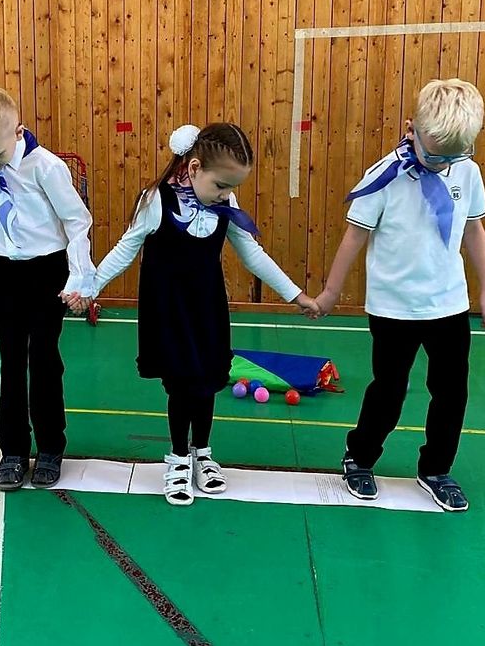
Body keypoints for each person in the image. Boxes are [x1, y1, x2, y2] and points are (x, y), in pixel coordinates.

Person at [92, 123, 319, 506]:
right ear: (195, 167)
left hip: (206, 308)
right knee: (182, 386)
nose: (226, 195)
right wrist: (90, 286)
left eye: (231, 188)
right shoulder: (156, 200)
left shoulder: (224, 203)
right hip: (169, 311)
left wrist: (296, 294)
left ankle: (203, 452)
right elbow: (125, 248)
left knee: (208, 380)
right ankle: (178, 457)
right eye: (221, 186)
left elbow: (252, 254)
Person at [316, 78, 485, 512]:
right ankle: (360, 457)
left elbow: (473, 229)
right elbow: (354, 237)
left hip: (448, 306)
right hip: (393, 310)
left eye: (455, 155)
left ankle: (436, 469)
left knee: (451, 392)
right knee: (389, 390)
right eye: (435, 155)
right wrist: (329, 293)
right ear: (410, 130)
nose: (444, 164)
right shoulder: (383, 178)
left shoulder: (466, 171)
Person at [0, 86, 94, 491]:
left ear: (18, 131)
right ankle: (12, 449)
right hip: (6, 272)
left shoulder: (46, 167)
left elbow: (77, 221)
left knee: (44, 359)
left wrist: (80, 275)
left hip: (47, 271)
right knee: (10, 361)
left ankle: (50, 447)